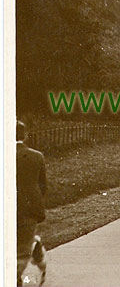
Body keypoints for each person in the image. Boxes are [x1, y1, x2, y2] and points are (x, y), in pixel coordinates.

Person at [16, 121, 46, 286]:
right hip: (28, 211)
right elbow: (42, 187)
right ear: (25, 135)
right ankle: (34, 244)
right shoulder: (36, 156)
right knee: (20, 253)